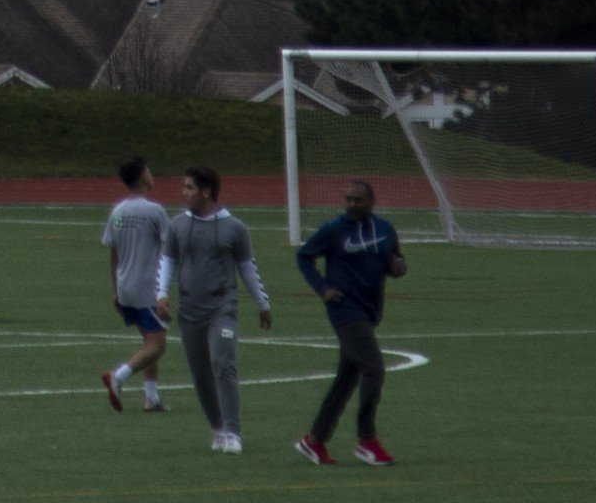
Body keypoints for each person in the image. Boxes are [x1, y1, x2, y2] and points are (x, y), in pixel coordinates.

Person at [290, 175, 409, 467]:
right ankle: (366, 439)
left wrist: (398, 268)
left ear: (372, 201)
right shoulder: (334, 230)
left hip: (369, 310)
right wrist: (321, 288)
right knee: (374, 369)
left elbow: (396, 263)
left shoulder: (384, 230)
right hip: (345, 310)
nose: (352, 204)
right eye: (348, 199)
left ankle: (314, 440)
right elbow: (304, 257)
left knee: (347, 377)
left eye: (358, 199)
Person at [157, 165, 275, 454]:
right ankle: (217, 427)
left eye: (189, 188)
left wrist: (262, 302)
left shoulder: (235, 228)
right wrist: (160, 294)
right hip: (189, 311)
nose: (183, 193)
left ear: (206, 191)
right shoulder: (178, 225)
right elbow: (168, 262)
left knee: (223, 364)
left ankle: (234, 432)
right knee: (200, 373)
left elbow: (248, 267)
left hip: (222, 308)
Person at [96, 155, 172, 414]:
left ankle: (152, 398)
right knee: (157, 345)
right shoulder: (155, 211)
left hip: (125, 285)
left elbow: (113, 254)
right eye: (149, 170)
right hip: (148, 287)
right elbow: (171, 247)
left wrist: (115, 290)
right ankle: (118, 376)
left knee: (148, 342)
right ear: (142, 177)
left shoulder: (118, 211)